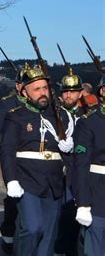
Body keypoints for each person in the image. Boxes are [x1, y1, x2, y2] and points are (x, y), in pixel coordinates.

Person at [0, 64, 74, 255]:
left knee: (49, 236)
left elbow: (69, 154)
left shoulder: (60, 116)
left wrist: (68, 148)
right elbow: (7, 151)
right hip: (27, 180)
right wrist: (11, 180)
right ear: (25, 93)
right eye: (37, 89)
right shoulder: (16, 117)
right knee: (33, 228)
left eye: (45, 88)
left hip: (54, 182)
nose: (43, 93)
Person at [0, 65, 28, 254]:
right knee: (14, 201)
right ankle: (8, 231)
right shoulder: (6, 105)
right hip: (13, 158)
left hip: (33, 162)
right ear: (18, 86)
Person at [72, 74, 105, 255]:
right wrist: (83, 202)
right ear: (103, 91)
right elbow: (81, 165)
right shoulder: (89, 122)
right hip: (98, 194)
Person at [54, 68, 86, 255]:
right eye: (65, 91)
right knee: (60, 216)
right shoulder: (55, 113)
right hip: (60, 170)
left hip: (80, 171)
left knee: (75, 215)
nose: (68, 94)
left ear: (80, 93)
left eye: (72, 91)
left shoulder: (87, 114)